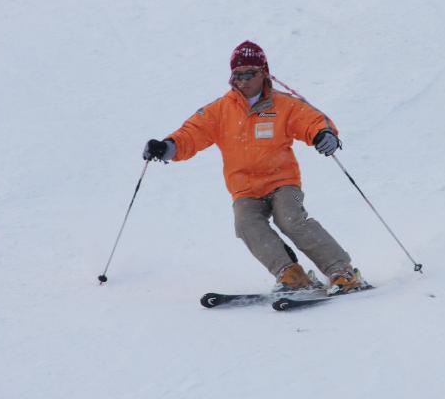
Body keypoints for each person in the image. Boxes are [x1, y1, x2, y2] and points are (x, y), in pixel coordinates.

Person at [143, 40, 366, 294]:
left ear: (264, 73)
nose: (243, 80)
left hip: (283, 182)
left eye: (250, 73)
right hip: (245, 188)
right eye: (237, 75)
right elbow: (191, 134)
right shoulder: (220, 110)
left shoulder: (283, 105)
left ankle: (342, 271)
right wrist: (167, 147)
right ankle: (291, 274)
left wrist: (324, 134)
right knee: (246, 224)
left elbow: (312, 120)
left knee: (290, 219)